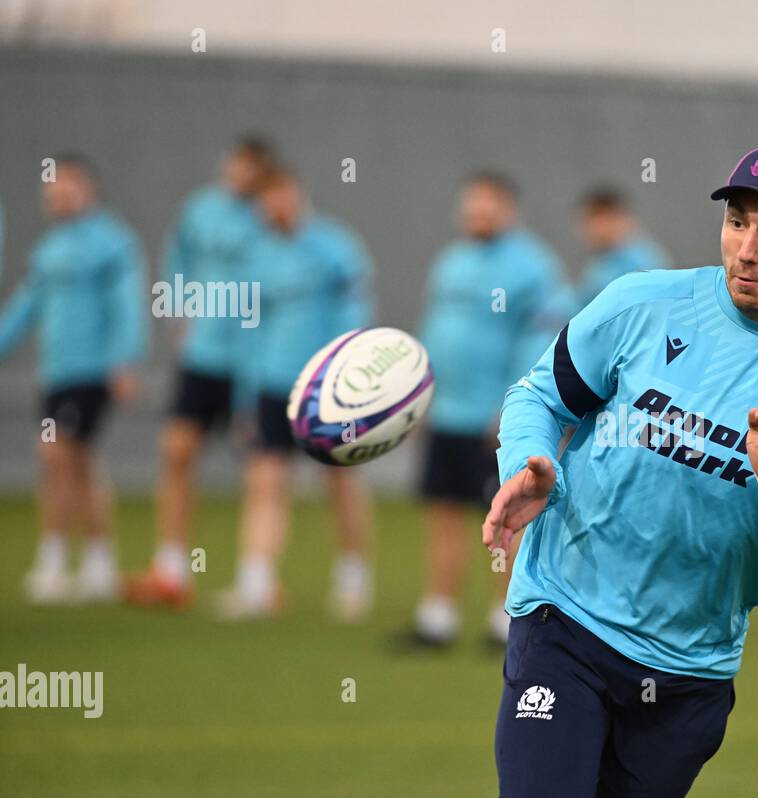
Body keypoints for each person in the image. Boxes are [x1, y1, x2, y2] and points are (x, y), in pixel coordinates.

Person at [405, 144, 758, 798]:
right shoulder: (641, 303)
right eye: (737, 220)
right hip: (567, 621)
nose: (747, 248)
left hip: (689, 675)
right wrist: (529, 470)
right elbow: (538, 397)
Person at [409, 171, 574, 648]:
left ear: (509, 209)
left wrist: (514, 409)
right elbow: (435, 330)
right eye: (471, 206)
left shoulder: (534, 268)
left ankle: (507, 618)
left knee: (507, 517)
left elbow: (543, 341)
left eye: (489, 206)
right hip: (448, 414)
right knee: (444, 510)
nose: (478, 215)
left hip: (495, 421)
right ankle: (437, 616)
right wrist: (419, 396)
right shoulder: (450, 262)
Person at [215, 169, 375, 621]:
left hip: (328, 390)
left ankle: (353, 575)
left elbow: (354, 311)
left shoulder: (335, 247)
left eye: (282, 195)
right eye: (266, 200)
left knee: (340, 480)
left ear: (298, 193)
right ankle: (256, 581)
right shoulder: (255, 256)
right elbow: (248, 328)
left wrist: (345, 375)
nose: (276, 206)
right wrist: (246, 394)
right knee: (264, 479)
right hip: (271, 386)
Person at [125, 135, 278, 608]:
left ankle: (257, 581)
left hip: (254, 365)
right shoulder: (201, 209)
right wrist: (178, 313)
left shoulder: (270, 218)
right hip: (203, 360)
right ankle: (171, 568)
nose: (238, 173)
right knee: (177, 450)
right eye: (234, 163)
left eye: (249, 167)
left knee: (262, 470)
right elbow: (178, 262)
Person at [0, 154, 146, 604]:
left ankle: (53, 559)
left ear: (88, 189)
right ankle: (100, 563)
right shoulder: (48, 250)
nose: (58, 197)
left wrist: (124, 360)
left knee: (52, 453)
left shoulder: (112, 243)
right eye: (52, 190)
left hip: (92, 372)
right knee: (80, 464)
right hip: (56, 371)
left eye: (67, 187)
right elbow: (26, 305)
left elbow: (129, 303)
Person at [573, 187, 668, 310]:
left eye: (601, 217)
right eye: (587, 219)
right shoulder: (601, 263)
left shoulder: (641, 263)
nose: (595, 228)